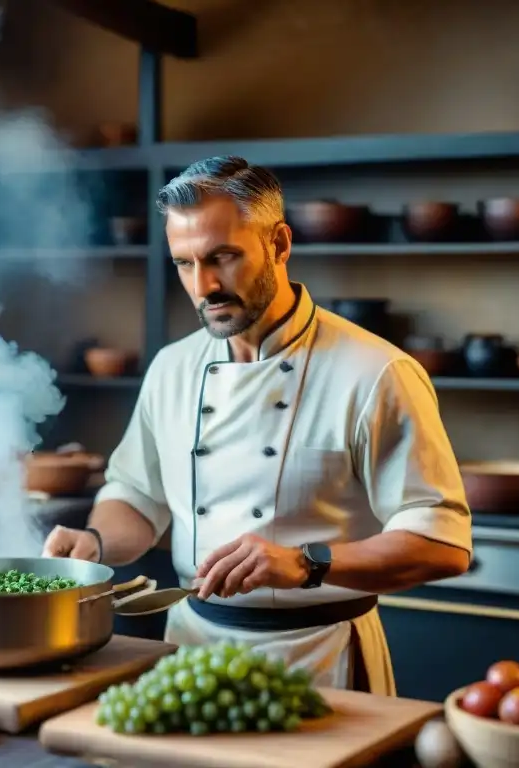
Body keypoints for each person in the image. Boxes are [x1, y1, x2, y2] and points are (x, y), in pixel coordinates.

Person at [42, 156, 473, 695]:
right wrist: (95, 540)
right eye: (184, 263)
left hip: (320, 659)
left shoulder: (375, 372)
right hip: (190, 654)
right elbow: (137, 494)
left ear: (279, 244)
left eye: (223, 256)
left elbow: (445, 544)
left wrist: (308, 563)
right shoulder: (172, 368)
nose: (204, 286)